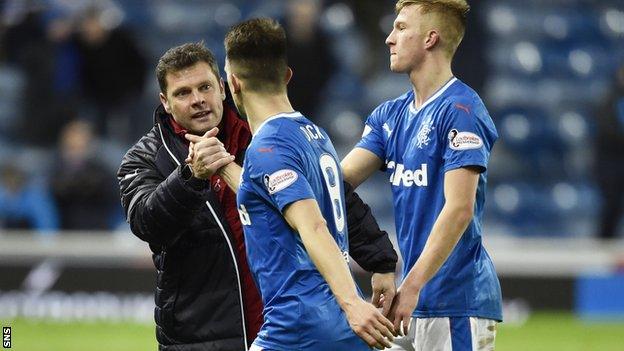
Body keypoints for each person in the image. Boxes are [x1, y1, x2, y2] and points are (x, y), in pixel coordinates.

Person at [118, 42, 398, 350]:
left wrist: (380, 260)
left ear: (223, 88)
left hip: (284, 324)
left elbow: (330, 199)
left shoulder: (264, 137)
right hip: (200, 335)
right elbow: (147, 224)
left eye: (205, 87)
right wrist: (190, 178)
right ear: (165, 102)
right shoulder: (146, 158)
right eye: (183, 93)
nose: (198, 100)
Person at [191, 18, 395, 350]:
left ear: (233, 84)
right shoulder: (313, 135)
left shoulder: (268, 147)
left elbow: (312, 225)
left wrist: (353, 304)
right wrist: (224, 164)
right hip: (336, 326)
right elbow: (271, 197)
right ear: (286, 75)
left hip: (298, 325)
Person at [341, 1, 502, 350]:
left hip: (455, 302)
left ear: (430, 38)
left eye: (400, 28)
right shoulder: (390, 115)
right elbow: (336, 184)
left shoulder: (462, 111)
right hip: (409, 299)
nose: (388, 39)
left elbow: (459, 209)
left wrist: (411, 285)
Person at [594, 62, 624, 239]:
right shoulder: (609, 99)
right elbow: (607, 129)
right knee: (611, 203)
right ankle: (605, 239)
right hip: (611, 161)